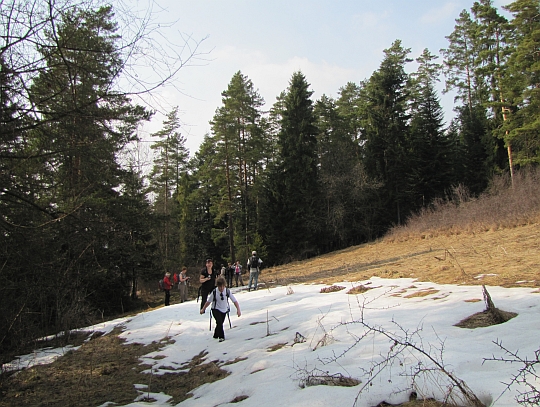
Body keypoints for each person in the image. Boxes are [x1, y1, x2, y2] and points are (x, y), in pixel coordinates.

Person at [200, 276, 241, 342]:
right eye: (220, 287)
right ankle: (221, 337)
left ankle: (216, 334)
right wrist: (203, 309)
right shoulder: (214, 292)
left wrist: (238, 310)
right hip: (215, 309)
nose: (221, 288)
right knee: (219, 322)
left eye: (223, 286)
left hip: (224, 310)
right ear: (217, 286)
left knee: (220, 323)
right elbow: (208, 302)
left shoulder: (227, 291)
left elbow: (234, 301)